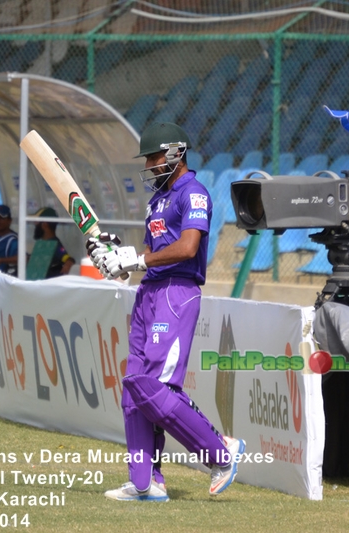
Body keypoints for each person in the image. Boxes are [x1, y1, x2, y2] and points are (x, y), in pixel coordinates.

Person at [87, 122, 245, 502]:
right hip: (149, 293)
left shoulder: (193, 194)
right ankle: (147, 483)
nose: (151, 164)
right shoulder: (157, 200)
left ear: (176, 152)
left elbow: (188, 247)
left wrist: (138, 258)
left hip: (177, 293)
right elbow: (149, 252)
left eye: (155, 157)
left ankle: (221, 453)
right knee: (133, 388)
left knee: (154, 387)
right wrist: (117, 257)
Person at [32, 207, 74, 278]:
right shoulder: (41, 243)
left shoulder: (54, 245)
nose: (35, 225)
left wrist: (69, 262)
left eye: (37, 223)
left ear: (44, 225)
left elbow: (66, 257)